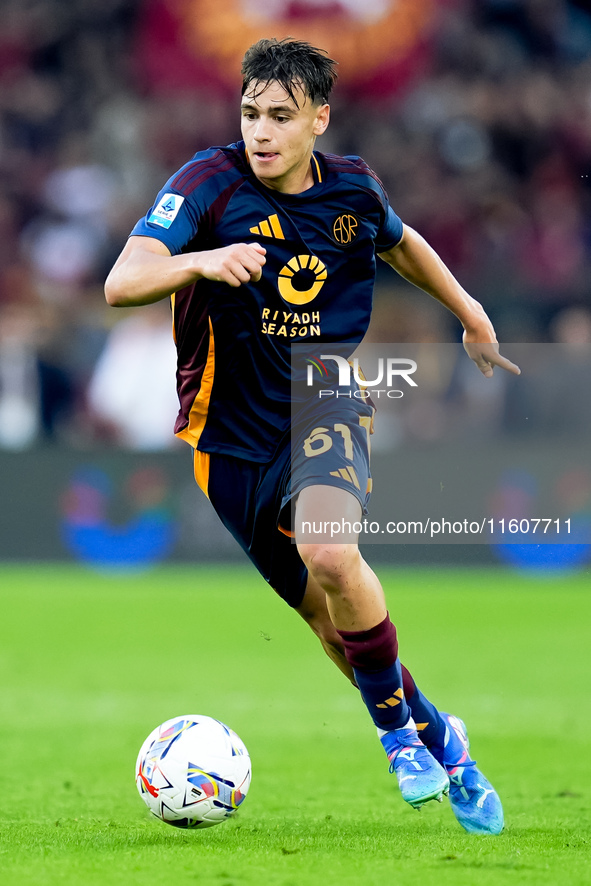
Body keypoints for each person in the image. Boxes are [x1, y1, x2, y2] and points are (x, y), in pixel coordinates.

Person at [105, 37, 520, 834]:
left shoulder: (353, 190)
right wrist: (202, 261)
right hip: (223, 441)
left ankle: (397, 735)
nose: (260, 131)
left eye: (280, 117)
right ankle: (443, 737)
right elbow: (123, 281)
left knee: (331, 552)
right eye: (250, 113)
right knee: (332, 628)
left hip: (324, 397)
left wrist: (467, 311)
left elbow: (400, 243)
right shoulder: (206, 184)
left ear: (318, 120)